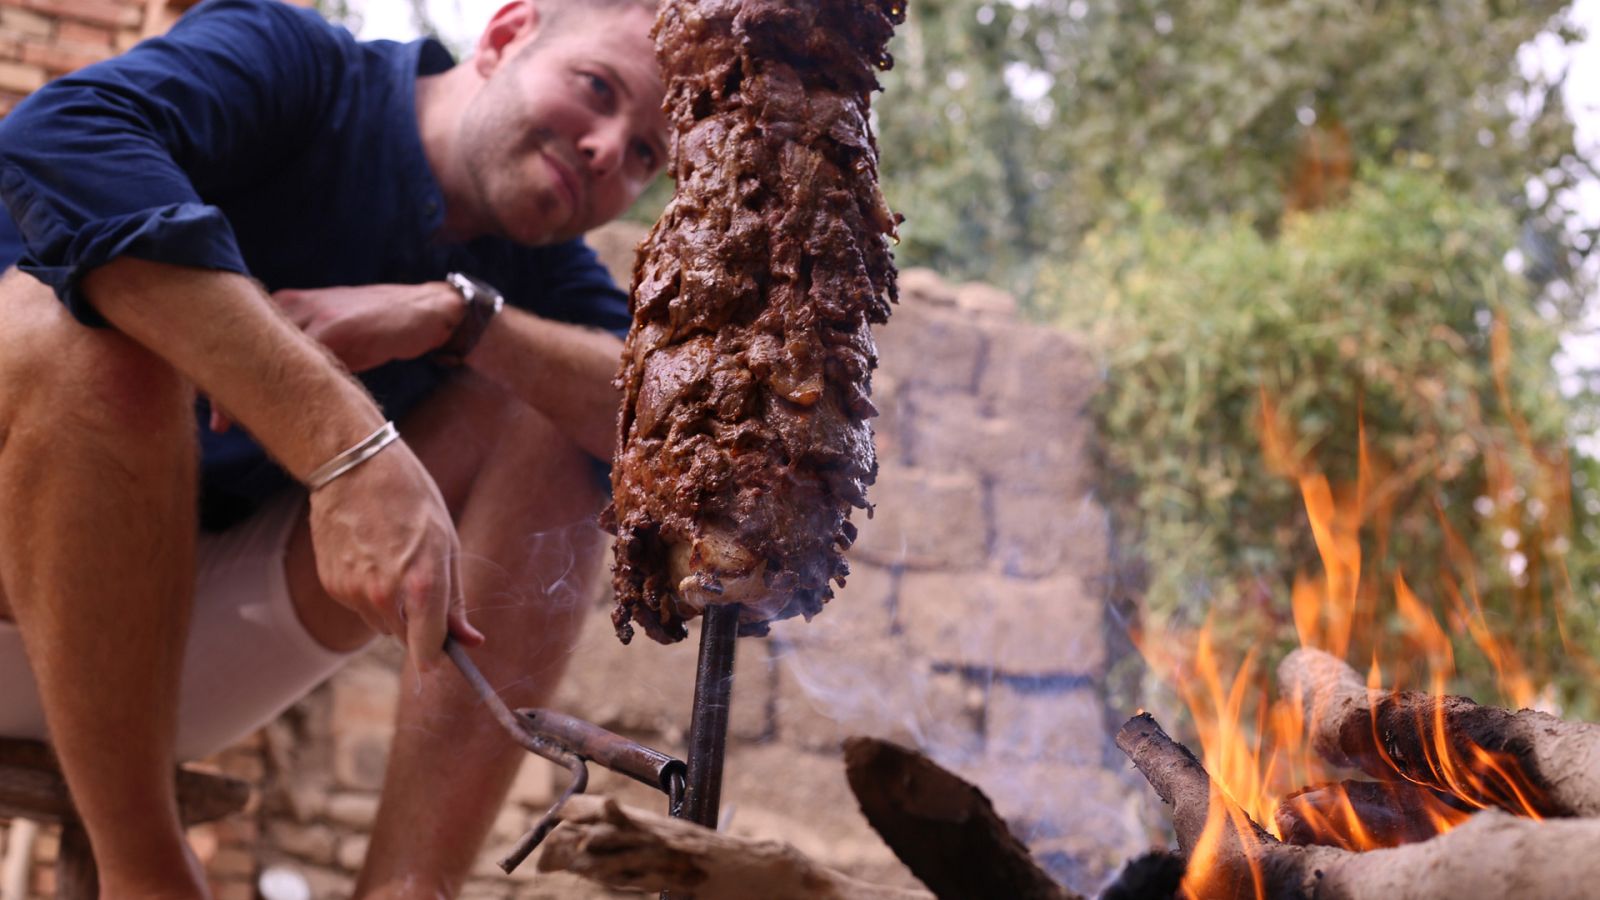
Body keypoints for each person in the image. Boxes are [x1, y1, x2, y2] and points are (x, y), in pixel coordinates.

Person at [0, 0, 666, 894]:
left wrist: (462, 319)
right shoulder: (295, 62)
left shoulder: (533, 273)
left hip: (166, 670)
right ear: (508, 34)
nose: (605, 152)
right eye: (598, 89)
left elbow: (669, 432)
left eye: (645, 156)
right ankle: (147, 873)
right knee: (94, 329)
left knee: (552, 413)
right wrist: (343, 444)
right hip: (14, 584)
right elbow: (57, 137)